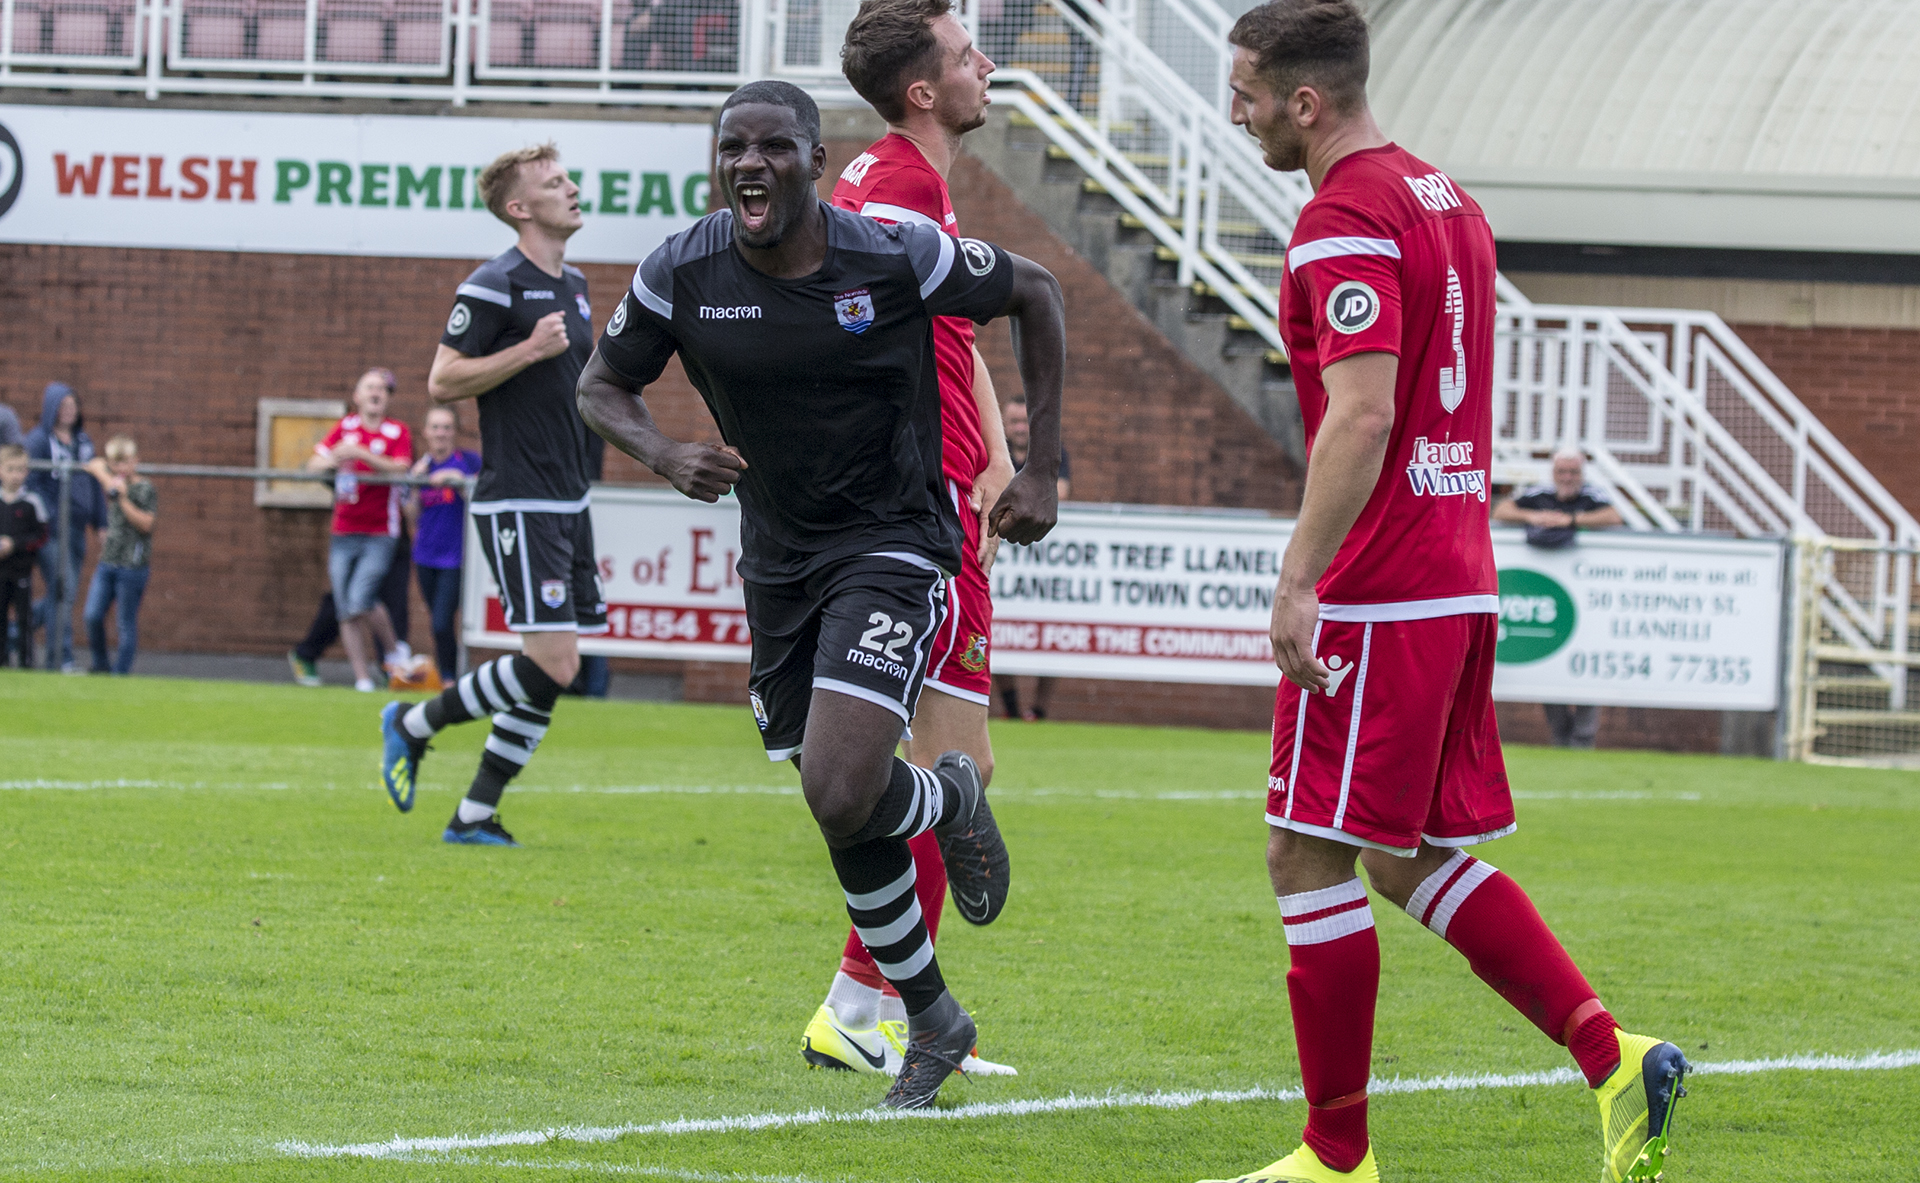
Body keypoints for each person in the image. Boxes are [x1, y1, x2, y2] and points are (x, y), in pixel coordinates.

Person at [1204, 6, 1688, 1183]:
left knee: (1302, 854)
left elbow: (1366, 410)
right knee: (1400, 851)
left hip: (1381, 583)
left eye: (1249, 93)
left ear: (1305, 104)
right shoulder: (1443, 196)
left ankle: (1336, 1155)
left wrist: (1301, 577)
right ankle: (1614, 1054)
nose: (1237, 111)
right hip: (1457, 566)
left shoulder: (1344, 216)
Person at [577, 81, 1066, 1109]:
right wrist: (666, 453)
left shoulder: (890, 250)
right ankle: (932, 1017)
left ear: (811, 157)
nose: (749, 165)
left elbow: (1035, 293)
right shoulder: (682, 268)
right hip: (781, 562)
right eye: (731, 149)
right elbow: (599, 384)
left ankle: (933, 835)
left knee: (842, 784)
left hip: (894, 543)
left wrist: (1041, 465)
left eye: (772, 148)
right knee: (838, 802)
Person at [794, 0, 1021, 1080]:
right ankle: (870, 1001)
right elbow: (837, 323)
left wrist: (996, 451)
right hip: (916, 510)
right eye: (969, 55)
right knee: (951, 765)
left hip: (941, 489)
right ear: (924, 90)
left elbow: (946, 323)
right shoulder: (893, 185)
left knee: (943, 760)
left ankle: (865, 1002)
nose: (989, 66)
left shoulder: (914, 184)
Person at [380, 141, 605, 845]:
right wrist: (527, 351)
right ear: (519, 207)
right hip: (519, 496)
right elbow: (442, 380)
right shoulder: (494, 282)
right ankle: (412, 721)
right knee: (555, 662)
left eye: (568, 177)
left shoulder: (574, 284)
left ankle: (475, 812)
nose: (571, 188)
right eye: (554, 182)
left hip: (569, 497)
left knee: (553, 670)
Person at [1494, 447, 1624, 749]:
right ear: (1553, 473)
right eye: (1562, 472)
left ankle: (1583, 738)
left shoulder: (1594, 496)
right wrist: (1534, 517)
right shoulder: (1538, 494)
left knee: (1587, 672)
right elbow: (1500, 511)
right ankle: (1560, 736)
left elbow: (1613, 516)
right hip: (1547, 595)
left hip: (1587, 599)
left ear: (1582, 473)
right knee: (1549, 668)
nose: (1567, 478)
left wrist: (1571, 521)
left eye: (1573, 472)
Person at [307, 369, 415, 693]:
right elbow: (313, 464)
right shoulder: (345, 428)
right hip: (343, 528)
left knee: (360, 598)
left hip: (380, 530)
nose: (376, 393)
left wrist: (362, 454)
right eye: (369, 387)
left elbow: (401, 467)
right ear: (356, 395)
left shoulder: (397, 431)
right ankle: (362, 677)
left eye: (382, 389)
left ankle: (395, 652)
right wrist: (334, 458)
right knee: (345, 607)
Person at [992, 395, 1071, 722]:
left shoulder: (1050, 452)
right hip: (1005, 560)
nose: (1021, 428)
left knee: (1051, 632)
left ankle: (1038, 709)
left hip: (1045, 562)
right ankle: (1011, 706)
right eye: (1015, 422)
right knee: (997, 628)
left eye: (1026, 422)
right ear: (1005, 424)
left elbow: (1061, 491)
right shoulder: (996, 450)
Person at [24, 382, 105, 673]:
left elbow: (93, 485)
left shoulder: (83, 441)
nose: (69, 412)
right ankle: (61, 658)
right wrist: (51, 513)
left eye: (73, 406)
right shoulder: (38, 441)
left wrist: (101, 522)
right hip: (50, 531)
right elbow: (30, 483)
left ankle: (16, 630)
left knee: (64, 594)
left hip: (77, 529)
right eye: (63, 406)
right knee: (64, 589)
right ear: (52, 408)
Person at [407, 405, 482, 683]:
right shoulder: (421, 468)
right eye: (436, 427)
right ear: (426, 432)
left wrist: (460, 482)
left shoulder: (468, 462)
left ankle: (449, 677)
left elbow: (485, 494)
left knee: (441, 621)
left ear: (455, 432)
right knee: (438, 622)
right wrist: (415, 485)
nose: (441, 433)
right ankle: (447, 675)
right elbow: (412, 516)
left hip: (457, 557)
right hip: (425, 555)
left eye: (447, 427)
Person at [81, 436, 158, 675]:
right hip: (108, 563)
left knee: (125, 623)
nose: (121, 468)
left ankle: (120, 673)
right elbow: (94, 464)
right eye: (116, 463)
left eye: (125, 462)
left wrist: (122, 497)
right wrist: (109, 479)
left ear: (136, 461)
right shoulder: (113, 481)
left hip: (132, 567)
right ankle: (101, 664)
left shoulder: (143, 488)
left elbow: (147, 524)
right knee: (92, 615)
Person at [0, 444, 49, 668]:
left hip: (21, 571)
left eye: (20, 470)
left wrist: (14, 544)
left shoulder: (32, 502)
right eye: (11, 469)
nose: (16, 475)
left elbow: (40, 536)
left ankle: (26, 662)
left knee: (23, 619)